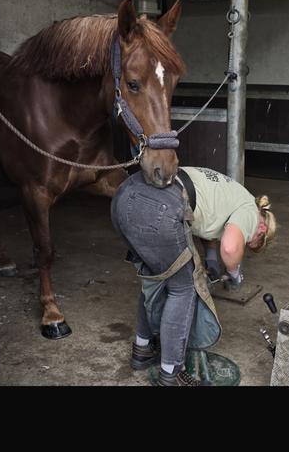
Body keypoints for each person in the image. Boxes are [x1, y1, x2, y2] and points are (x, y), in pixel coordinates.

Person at [110, 165, 277, 386]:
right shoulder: (251, 213)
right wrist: (235, 272)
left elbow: (207, 218)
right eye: (251, 243)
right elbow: (229, 248)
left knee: (154, 279)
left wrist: (209, 257)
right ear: (262, 230)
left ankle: (143, 349)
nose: (248, 242)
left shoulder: (232, 193)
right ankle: (172, 373)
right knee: (184, 288)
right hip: (159, 207)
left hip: (124, 198)